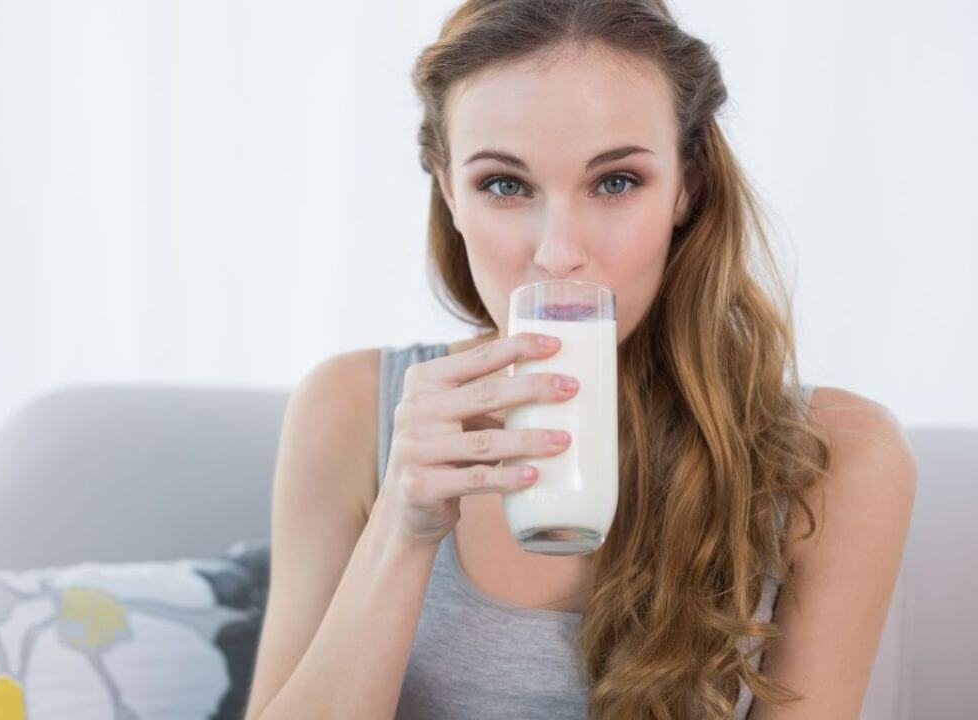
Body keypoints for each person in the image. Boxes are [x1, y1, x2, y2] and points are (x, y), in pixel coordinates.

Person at [244, 1, 916, 718]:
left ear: (686, 186)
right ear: (449, 193)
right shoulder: (352, 410)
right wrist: (402, 531)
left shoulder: (835, 455)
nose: (558, 252)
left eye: (616, 181)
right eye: (505, 184)